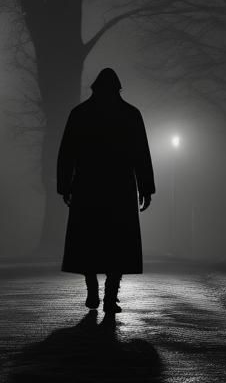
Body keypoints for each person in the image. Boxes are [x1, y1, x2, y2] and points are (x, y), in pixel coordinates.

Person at [56, 67, 155, 314]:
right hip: (120, 188)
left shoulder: (80, 114)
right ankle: (111, 297)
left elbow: (67, 153)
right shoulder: (130, 114)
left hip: (88, 186)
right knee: (118, 244)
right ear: (117, 88)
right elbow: (141, 155)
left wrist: (65, 185)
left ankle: (92, 290)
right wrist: (146, 188)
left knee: (88, 241)